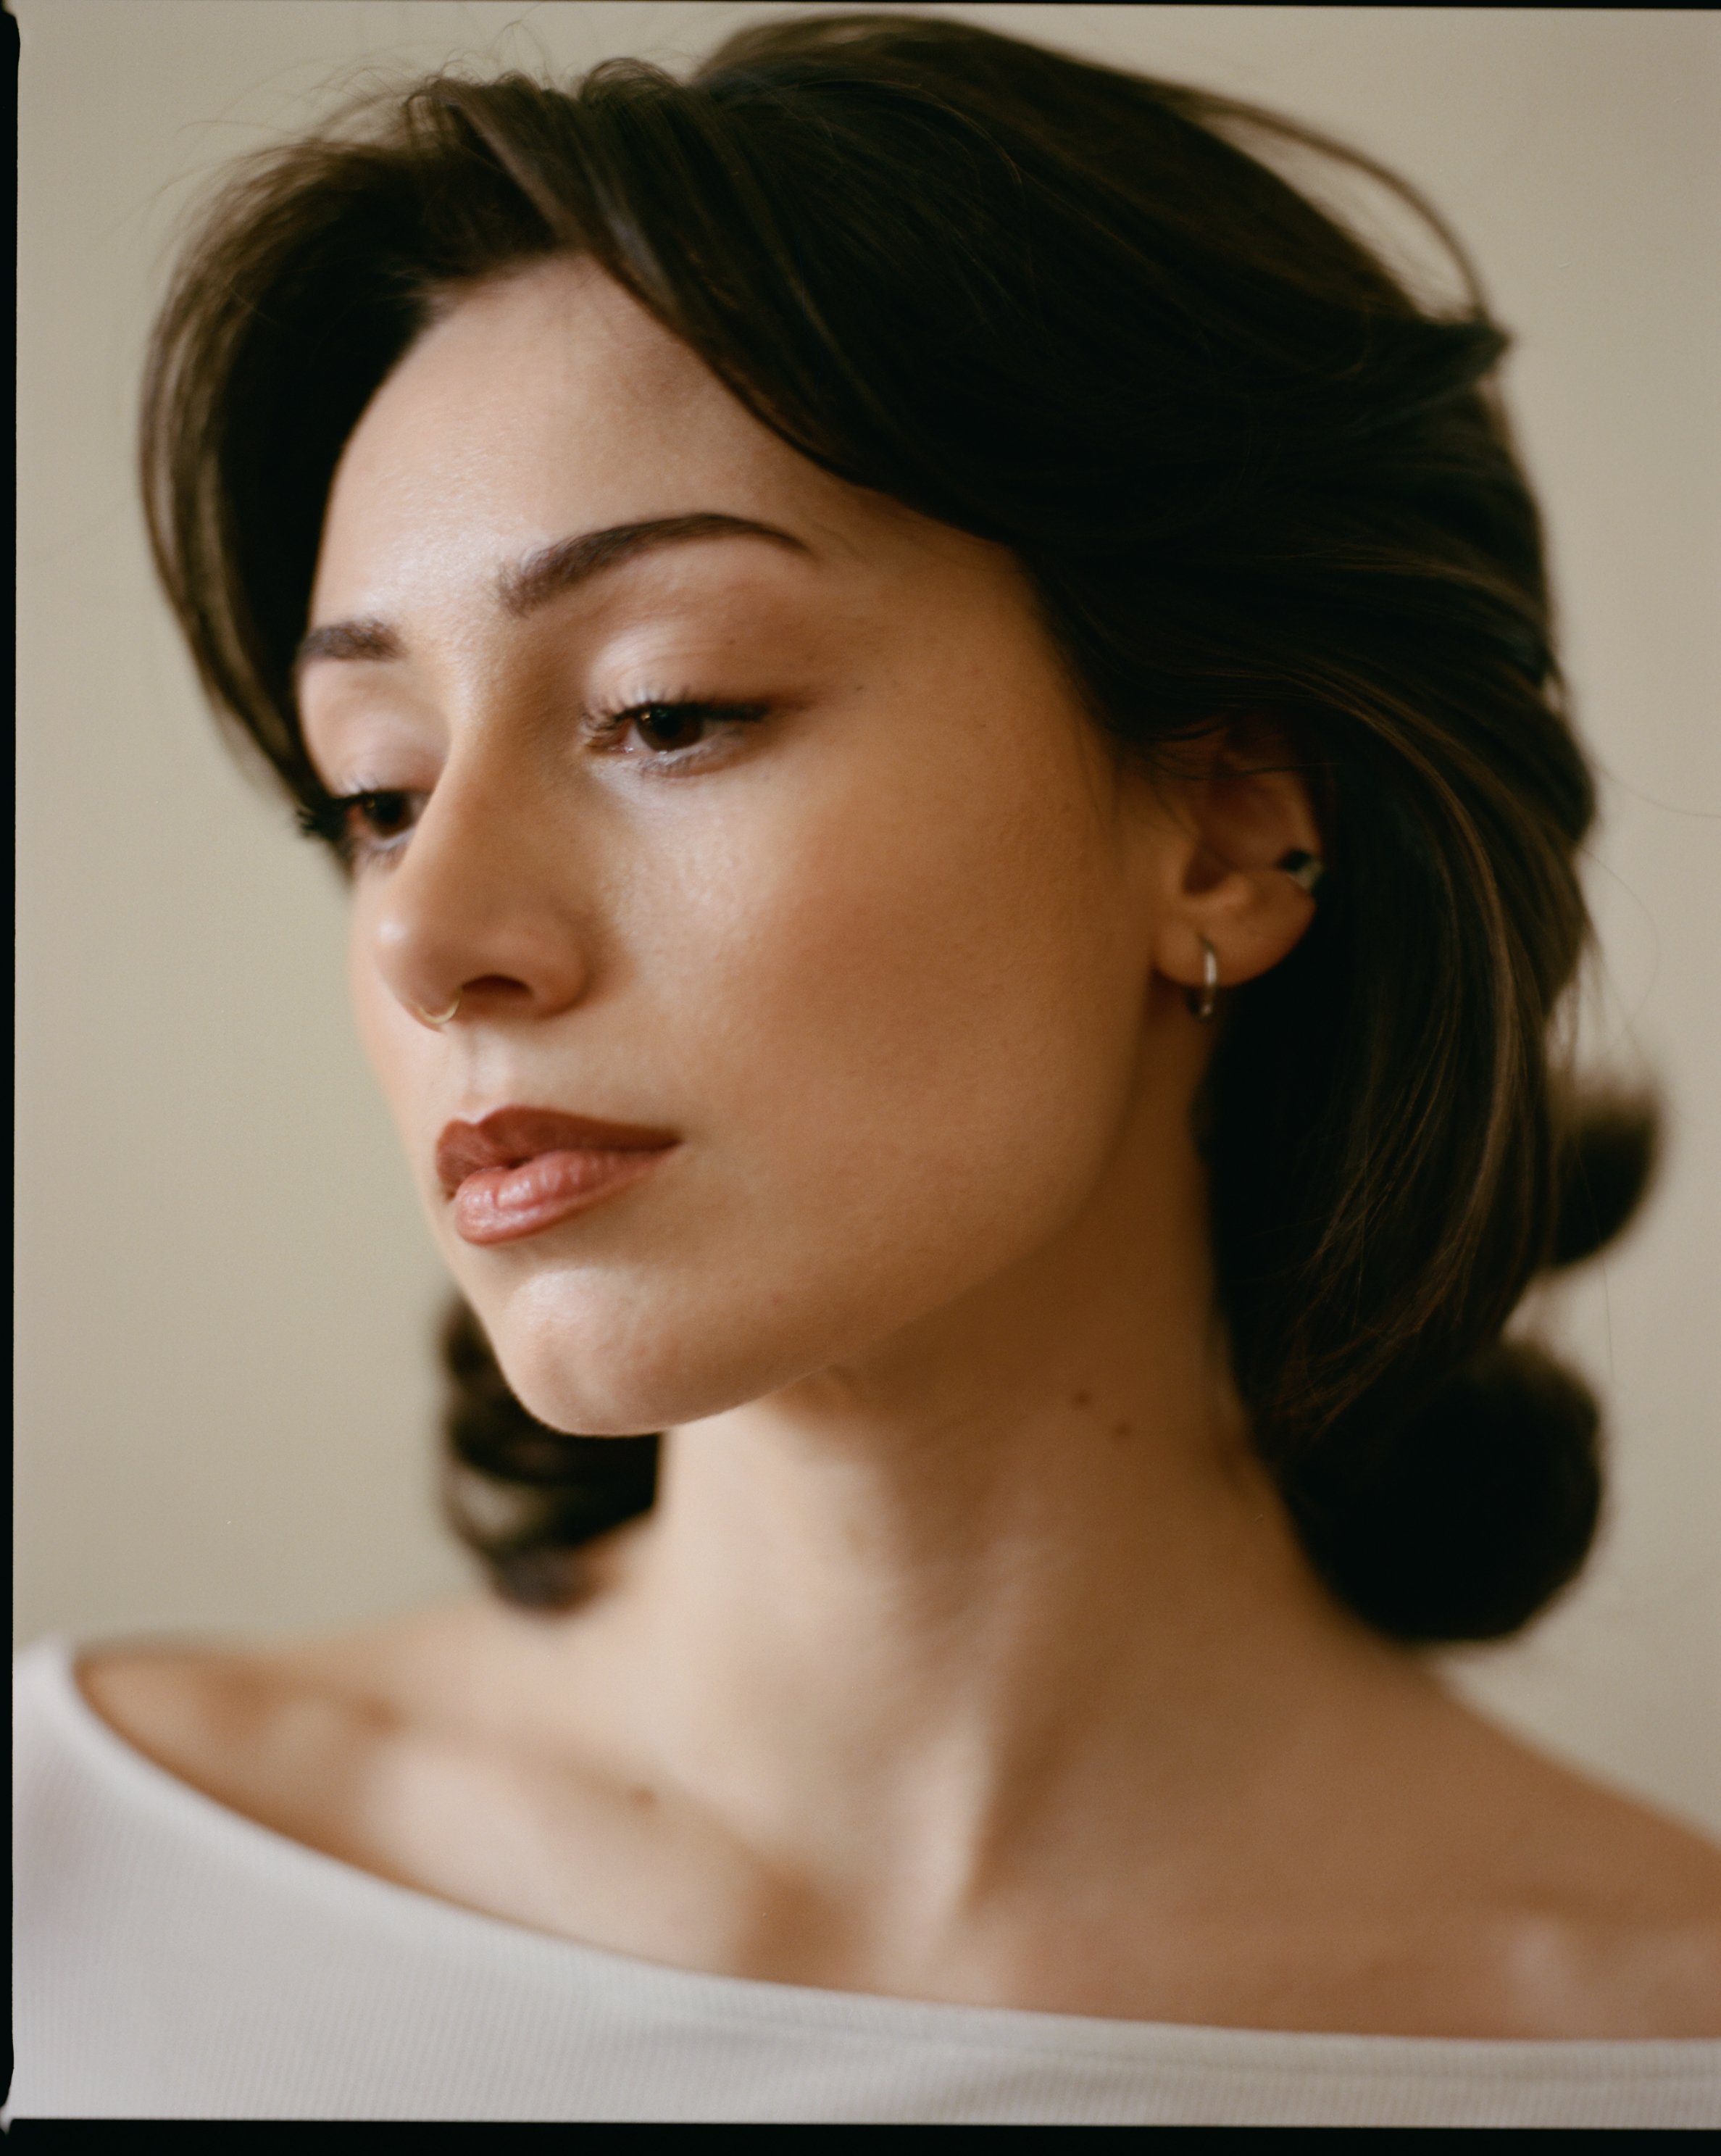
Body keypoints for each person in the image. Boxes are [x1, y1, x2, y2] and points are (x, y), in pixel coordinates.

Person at [13, 10, 1720, 2126]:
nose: (427, 937)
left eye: (667, 711)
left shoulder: (1655, 2057)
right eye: (373, 789)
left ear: (1221, 819)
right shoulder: (61, 1889)